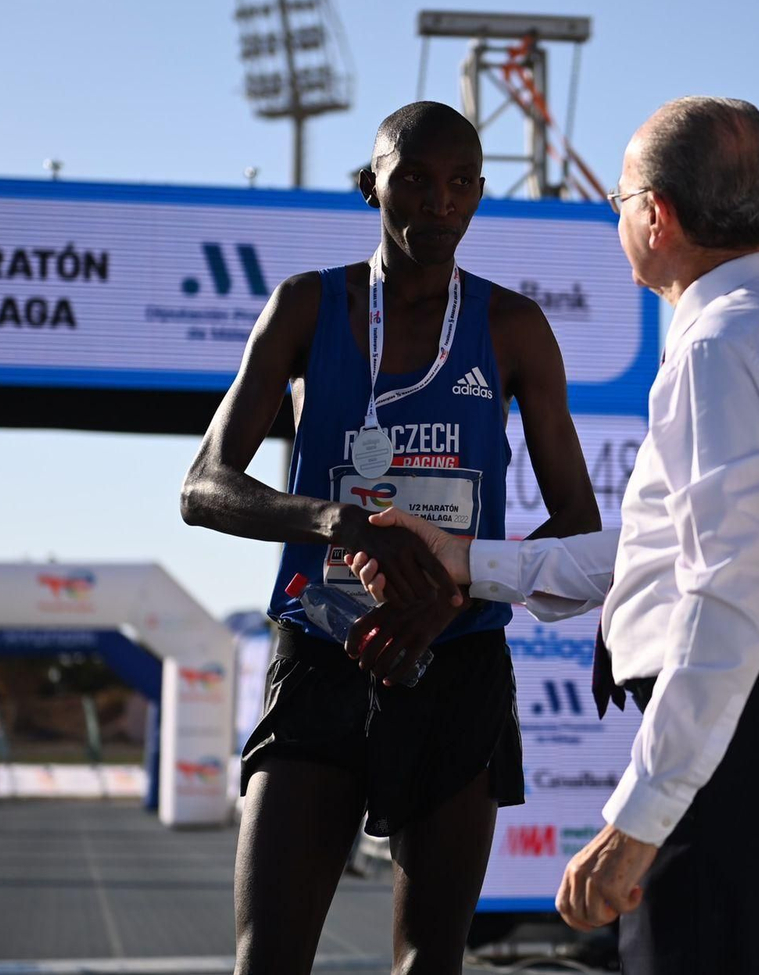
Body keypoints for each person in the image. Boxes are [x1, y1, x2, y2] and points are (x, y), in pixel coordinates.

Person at [351, 97, 759, 974]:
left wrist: (637, 819)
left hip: (746, 740)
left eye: (620, 200)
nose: (619, 219)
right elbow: (664, 552)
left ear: (658, 216)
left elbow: (726, 595)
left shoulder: (719, 348)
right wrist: (469, 562)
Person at [179, 101, 599, 975]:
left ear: (480, 197)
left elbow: (579, 523)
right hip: (323, 648)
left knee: (429, 962)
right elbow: (204, 488)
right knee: (268, 959)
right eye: (412, 178)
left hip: (456, 656)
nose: (437, 201)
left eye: (458, 184)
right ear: (372, 185)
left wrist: (453, 594)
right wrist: (337, 520)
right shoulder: (307, 305)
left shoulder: (512, 327)